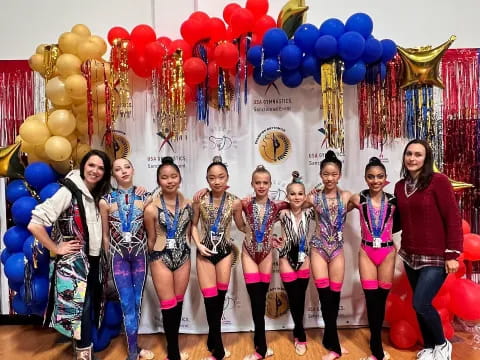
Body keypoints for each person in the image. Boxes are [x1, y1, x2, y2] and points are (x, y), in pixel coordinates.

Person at [28, 150, 112, 360]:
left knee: (86, 309)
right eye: (91, 165)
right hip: (75, 264)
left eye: (101, 168)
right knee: (79, 312)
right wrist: (56, 248)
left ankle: (83, 352)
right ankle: (84, 355)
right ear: (83, 166)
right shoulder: (69, 191)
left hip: (92, 261)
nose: (95, 171)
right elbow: (35, 223)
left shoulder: (94, 194)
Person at [394, 139, 462, 360]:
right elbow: (399, 220)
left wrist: (452, 253)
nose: (412, 158)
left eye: (418, 154)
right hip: (410, 254)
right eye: (409, 154)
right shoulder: (399, 186)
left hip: (435, 256)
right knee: (419, 305)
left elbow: (452, 217)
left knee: (421, 303)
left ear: (426, 158)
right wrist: (371, 211)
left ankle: (443, 345)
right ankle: (430, 347)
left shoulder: (438, 182)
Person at [99, 158, 154, 360]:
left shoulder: (147, 197)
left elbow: (151, 231)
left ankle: (134, 347)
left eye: (127, 167)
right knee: (126, 303)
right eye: (117, 169)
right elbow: (105, 235)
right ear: (113, 174)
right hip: (118, 257)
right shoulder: (106, 201)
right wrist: (107, 259)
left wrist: (148, 251)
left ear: (133, 169)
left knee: (137, 302)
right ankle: (132, 352)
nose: (123, 171)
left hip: (139, 256)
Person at [191, 156, 245, 360]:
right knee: (209, 300)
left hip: (224, 252)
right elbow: (193, 225)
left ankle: (213, 337)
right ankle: (219, 348)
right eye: (212, 178)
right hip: (204, 253)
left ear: (227, 178)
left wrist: (260, 230)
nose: (217, 181)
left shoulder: (235, 201)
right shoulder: (200, 200)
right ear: (207, 180)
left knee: (220, 300)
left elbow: (240, 226)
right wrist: (198, 245)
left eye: (221, 177)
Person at [348, 157, 400, 360]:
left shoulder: (394, 201)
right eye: (371, 177)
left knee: (380, 299)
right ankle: (376, 347)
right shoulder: (357, 198)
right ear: (365, 178)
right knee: (371, 299)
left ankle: (375, 342)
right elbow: (336, 213)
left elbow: (406, 221)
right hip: (366, 252)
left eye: (379, 177)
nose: (375, 181)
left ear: (385, 178)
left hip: (387, 252)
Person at [144, 156, 193, 360]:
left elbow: (191, 232)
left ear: (180, 178)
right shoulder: (151, 208)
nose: (170, 181)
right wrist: (152, 259)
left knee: (178, 304)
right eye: (165, 177)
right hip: (160, 257)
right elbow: (150, 238)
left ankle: (174, 347)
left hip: (183, 256)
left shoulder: (189, 204)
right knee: (168, 305)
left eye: (174, 176)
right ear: (158, 181)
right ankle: (173, 352)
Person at [239, 165, 288, 360]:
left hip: (266, 254)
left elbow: (300, 202)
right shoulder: (243, 203)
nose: (261, 186)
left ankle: (260, 344)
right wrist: (248, 232)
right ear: (252, 184)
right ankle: (261, 345)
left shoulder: (276, 206)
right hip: (249, 252)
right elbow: (227, 203)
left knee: (262, 298)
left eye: (265, 183)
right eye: (257, 182)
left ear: (270, 184)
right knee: (255, 299)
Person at [308, 150, 351, 360]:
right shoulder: (313, 197)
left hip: (337, 250)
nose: (329, 178)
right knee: (325, 297)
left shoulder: (347, 196)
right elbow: (292, 202)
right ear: (320, 174)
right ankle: (334, 343)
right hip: (318, 247)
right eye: (325, 174)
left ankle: (330, 336)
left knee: (335, 296)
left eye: (333, 174)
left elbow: (371, 203)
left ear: (340, 175)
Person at [277, 171, 315, 356]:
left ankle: (298, 330)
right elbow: (260, 219)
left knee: (301, 297)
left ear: (305, 195)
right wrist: (272, 240)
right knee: (294, 299)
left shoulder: (310, 213)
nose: (297, 197)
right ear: (287, 196)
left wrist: (310, 199)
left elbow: (330, 208)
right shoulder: (282, 212)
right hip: (285, 258)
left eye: (300, 193)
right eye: (292, 194)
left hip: (305, 258)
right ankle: (300, 334)